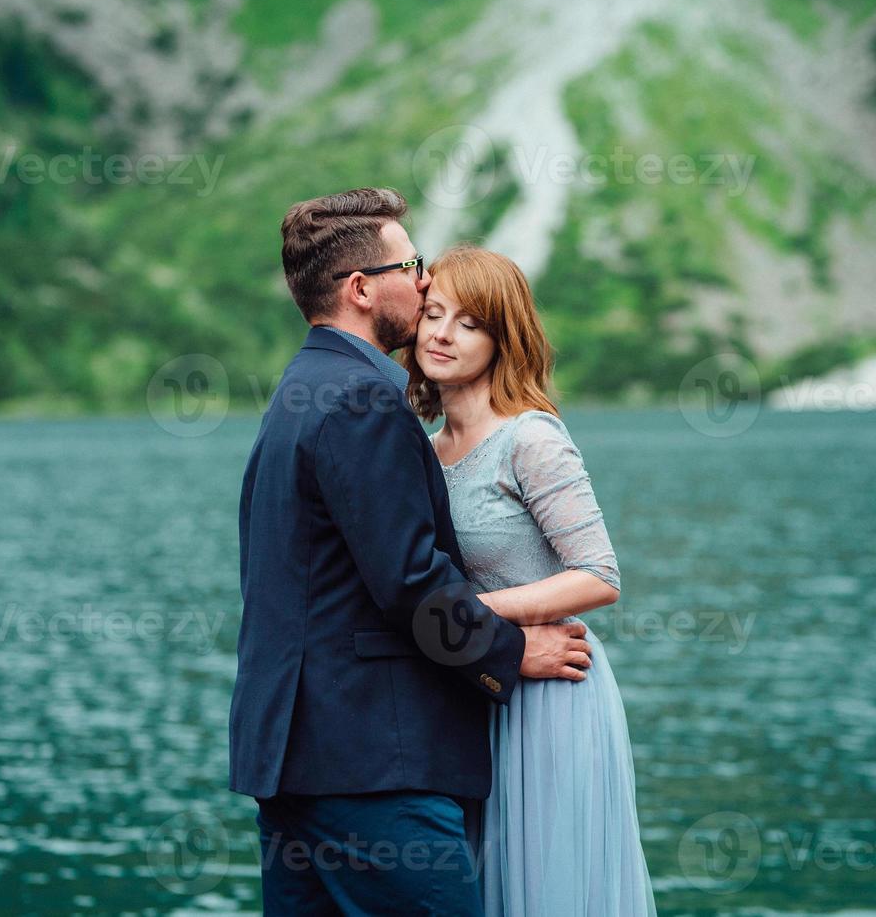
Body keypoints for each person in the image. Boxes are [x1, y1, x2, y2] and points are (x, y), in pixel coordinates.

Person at [229, 187, 593, 915]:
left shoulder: (301, 390)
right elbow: (409, 581)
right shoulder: (363, 399)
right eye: (412, 265)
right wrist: (512, 652)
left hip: (300, 766)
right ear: (362, 288)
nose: (424, 282)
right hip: (374, 770)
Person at [404, 245, 657, 915]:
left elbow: (600, 575)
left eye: (469, 323)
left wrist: (473, 609)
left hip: (554, 691)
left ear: (501, 339)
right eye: (433, 314)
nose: (442, 334)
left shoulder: (530, 439)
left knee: (550, 887)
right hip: (483, 685)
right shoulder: (426, 450)